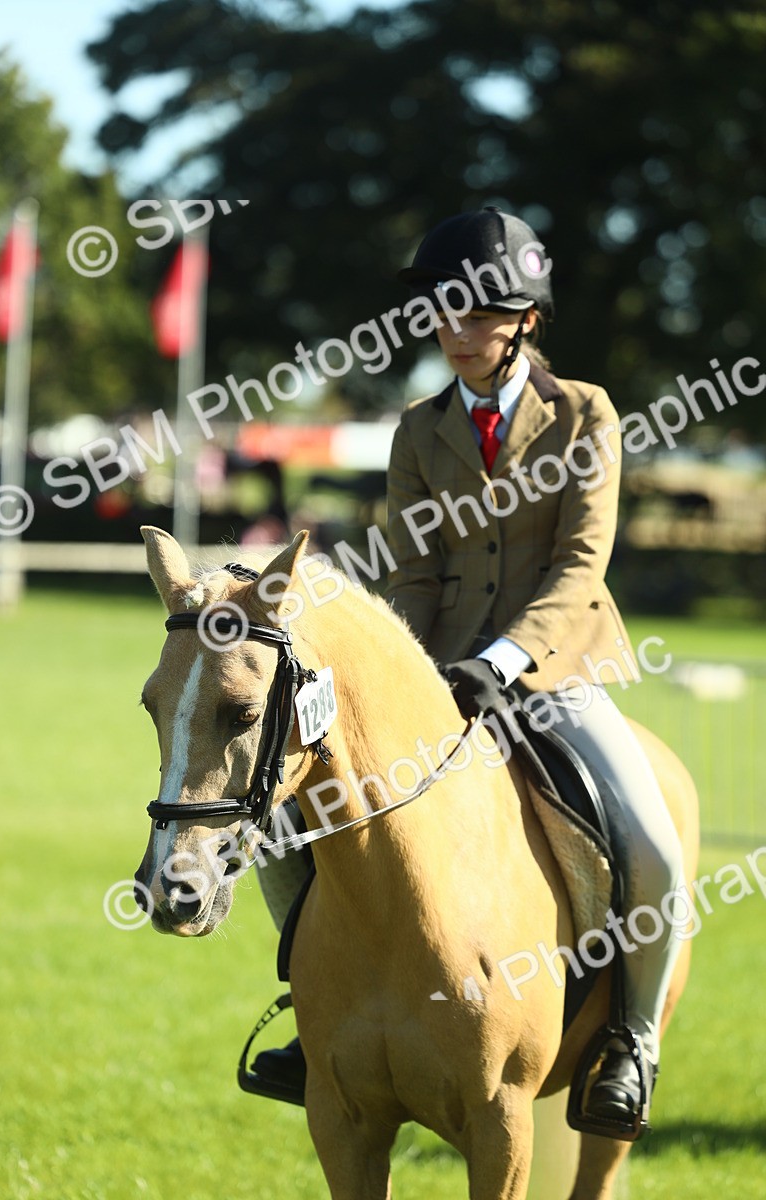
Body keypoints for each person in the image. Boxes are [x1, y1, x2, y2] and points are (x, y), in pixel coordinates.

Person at [382, 206, 685, 1135]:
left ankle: (631, 1041)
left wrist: (502, 661)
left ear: (525, 321)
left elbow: (578, 567)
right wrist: (410, 678)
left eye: (477, 315)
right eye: (442, 314)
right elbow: (417, 573)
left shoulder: (586, 413)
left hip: (554, 675)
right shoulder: (417, 429)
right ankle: (316, 1021)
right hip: (441, 680)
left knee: (656, 853)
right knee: (307, 819)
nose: (456, 333)